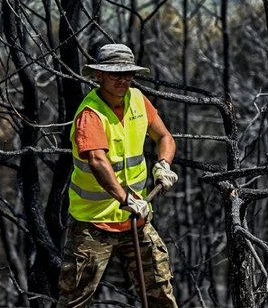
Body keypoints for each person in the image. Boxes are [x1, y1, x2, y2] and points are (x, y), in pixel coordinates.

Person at [57, 43, 179, 307]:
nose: (122, 80)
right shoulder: (90, 114)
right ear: (99, 75)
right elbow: (97, 161)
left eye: (127, 74)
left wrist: (164, 164)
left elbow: (165, 136)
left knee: (160, 293)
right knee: (74, 301)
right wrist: (126, 198)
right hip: (93, 225)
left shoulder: (137, 100)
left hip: (135, 219)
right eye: (115, 74)